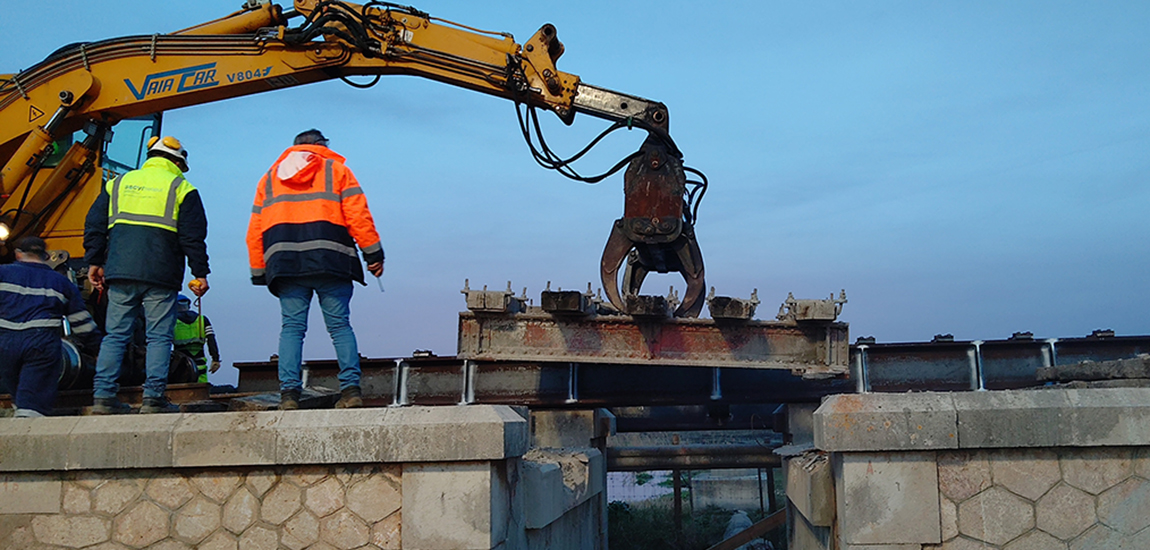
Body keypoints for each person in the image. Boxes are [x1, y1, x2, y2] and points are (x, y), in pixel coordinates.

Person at [246, 129, 383, 410]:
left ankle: (289, 396)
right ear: (322, 146)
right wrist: (373, 254)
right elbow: (358, 215)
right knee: (340, 326)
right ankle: (351, 392)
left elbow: (255, 228)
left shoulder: (269, 179)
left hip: (285, 264)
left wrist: (259, 270)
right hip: (331, 260)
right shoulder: (338, 171)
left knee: (292, 329)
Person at [84, 135, 210, 414]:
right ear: (178, 162)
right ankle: (153, 399)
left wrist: (94, 261)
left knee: (115, 336)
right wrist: (200, 273)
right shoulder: (182, 187)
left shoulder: (117, 184)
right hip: (161, 276)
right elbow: (193, 237)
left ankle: (103, 398)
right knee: (159, 337)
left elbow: (94, 224)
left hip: (120, 272)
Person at [0, 236, 99, 417]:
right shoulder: (60, 282)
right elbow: (82, 324)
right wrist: (97, 348)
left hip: (5, 344)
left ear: (18, 254)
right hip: (41, 343)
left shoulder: (3, 273)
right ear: (45, 256)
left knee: (17, 395)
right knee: (31, 404)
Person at [173, 294, 221, 383]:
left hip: (180, 362)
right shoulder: (202, 319)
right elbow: (211, 340)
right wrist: (215, 359)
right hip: (200, 361)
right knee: (201, 387)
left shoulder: (171, 321)